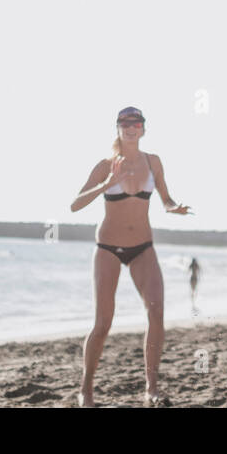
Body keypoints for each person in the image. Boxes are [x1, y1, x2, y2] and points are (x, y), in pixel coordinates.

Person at [70, 106, 191, 407]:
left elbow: (165, 198)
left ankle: (151, 388)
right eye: (125, 122)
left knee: (157, 313)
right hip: (108, 249)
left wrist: (174, 207)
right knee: (103, 323)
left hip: (142, 247)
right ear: (118, 128)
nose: (131, 127)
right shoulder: (105, 165)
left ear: (143, 129)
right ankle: (86, 390)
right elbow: (74, 205)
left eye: (136, 122)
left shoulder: (153, 162)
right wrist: (106, 185)